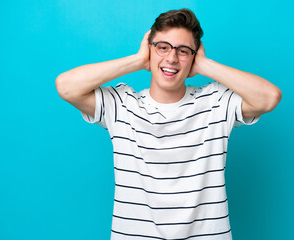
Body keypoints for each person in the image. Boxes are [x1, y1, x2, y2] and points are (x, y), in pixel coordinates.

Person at [56, 8, 282, 240]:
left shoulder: (215, 102)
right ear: (149, 49)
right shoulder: (122, 105)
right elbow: (66, 86)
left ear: (194, 56)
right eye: (163, 47)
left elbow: (269, 97)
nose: (172, 58)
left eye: (183, 51)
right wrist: (137, 60)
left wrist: (205, 65)